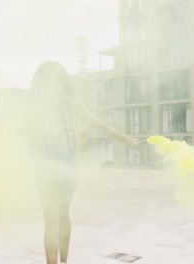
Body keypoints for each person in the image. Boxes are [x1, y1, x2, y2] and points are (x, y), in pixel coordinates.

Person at [29, 61, 139, 264]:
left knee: (50, 221)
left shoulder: (34, 107)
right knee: (64, 215)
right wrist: (129, 141)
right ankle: (64, 262)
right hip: (67, 164)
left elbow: (23, 137)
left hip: (46, 165)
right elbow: (101, 127)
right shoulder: (69, 102)